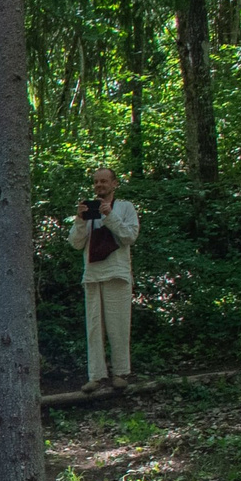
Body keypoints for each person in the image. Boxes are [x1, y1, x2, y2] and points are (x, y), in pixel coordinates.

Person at [68, 166, 141, 391]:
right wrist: (80, 220)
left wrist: (110, 215)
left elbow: (130, 235)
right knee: (94, 328)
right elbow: (75, 243)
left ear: (114, 183)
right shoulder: (88, 212)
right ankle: (96, 375)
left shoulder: (125, 207)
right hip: (92, 275)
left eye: (104, 181)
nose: (100, 185)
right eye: (96, 182)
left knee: (118, 326)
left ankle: (121, 373)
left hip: (117, 274)